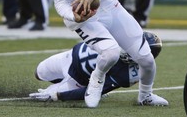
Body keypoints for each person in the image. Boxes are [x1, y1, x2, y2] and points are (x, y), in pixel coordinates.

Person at [29, 31, 168, 105]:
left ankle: (60, 87)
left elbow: (91, 92)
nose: (128, 48)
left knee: (44, 97)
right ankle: (59, 82)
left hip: (79, 79)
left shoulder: (130, 74)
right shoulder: (124, 30)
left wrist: (58, 96)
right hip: (69, 57)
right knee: (39, 72)